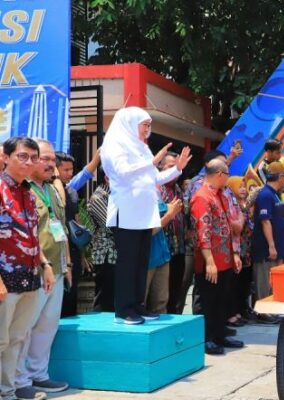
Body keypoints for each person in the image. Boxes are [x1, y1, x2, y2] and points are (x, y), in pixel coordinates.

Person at [101, 107, 190, 324]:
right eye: (145, 125)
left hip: (143, 214)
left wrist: (176, 169)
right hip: (126, 212)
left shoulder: (142, 147)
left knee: (142, 263)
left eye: (149, 125)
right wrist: (151, 162)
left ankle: (138, 305)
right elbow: (122, 172)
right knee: (128, 263)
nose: (148, 130)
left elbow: (154, 179)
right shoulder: (113, 144)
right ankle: (123, 309)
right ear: (130, 123)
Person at [0, 137, 54, 400]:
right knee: (0, 341)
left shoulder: (28, 193)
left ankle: (8, 393)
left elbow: (31, 235)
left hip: (30, 278)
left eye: (33, 157)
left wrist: (45, 265)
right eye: (22, 156)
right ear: (6, 157)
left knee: (17, 339)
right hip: (4, 280)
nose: (29, 162)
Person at [15, 140, 70, 398]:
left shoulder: (51, 189)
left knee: (48, 325)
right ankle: (19, 379)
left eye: (51, 160)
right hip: (32, 269)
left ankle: (39, 374)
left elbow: (60, 227)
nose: (50, 164)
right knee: (24, 328)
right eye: (44, 159)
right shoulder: (20, 189)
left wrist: (66, 262)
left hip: (56, 267)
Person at [191, 159, 244, 355]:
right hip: (211, 261)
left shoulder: (220, 195)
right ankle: (207, 338)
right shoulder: (202, 197)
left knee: (222, 299)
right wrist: (210, 262)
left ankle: (219, 334)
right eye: (228, 174)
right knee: (208, 301)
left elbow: (229, 226)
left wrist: (234, 253)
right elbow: (202, 232)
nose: (229, 178)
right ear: (220, 174)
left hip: (225, 259)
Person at [55, 149, 100, 317]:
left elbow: (77, 224)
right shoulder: (46, 191)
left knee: (71, 297)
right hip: (54, 252)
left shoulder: (72, 192)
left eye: (71, 170)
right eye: (65, 170)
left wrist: (82, 254)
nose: (69, 173)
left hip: (72, 252)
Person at [253, 161, 284, 304]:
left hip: (277, 247)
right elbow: (265, 221)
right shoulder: (266, 195)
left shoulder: (275, 194)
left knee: (274, 280)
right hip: (267, 249)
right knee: (264, 280)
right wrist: (271, 245)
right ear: (280, 177)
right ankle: (263, 311)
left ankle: (271, 308)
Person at [157, 152, 187, 314]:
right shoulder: (155, 189)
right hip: (162, 250)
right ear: (160, 167)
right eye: (171, 167)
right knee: (161, 296)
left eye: (178, 167)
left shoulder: (177, 189)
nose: (175, 171)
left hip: (179, 249)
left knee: (176, 291)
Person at [144, 196, 182, 314]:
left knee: (161, 303)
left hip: (162, 256)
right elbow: (147, 232)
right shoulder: (134, 195)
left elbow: (165, 208)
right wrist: (169, 215)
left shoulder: (155, 192)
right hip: (145, 259)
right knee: (139, 303)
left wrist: (170, 209)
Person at [227, 176, 254, 326]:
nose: (243, 189)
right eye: (240, 186)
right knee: (235, 283)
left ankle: (242, 310)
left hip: (247, 249)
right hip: (237, 249)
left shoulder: (245, 204)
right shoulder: (233, 205)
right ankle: (233, 312)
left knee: (244, 282)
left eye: (244, 186)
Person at [87, 174, 117, 312]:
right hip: (105, 252)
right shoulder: (99, 197)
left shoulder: (115, 195)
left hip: (116, 252)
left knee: (113, 294)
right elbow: (110, 225)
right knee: (104, 295)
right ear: (107, 177)